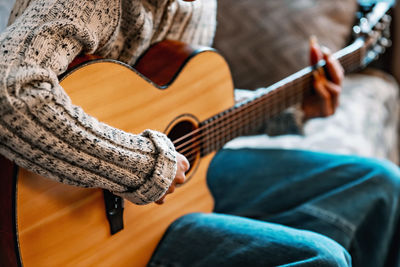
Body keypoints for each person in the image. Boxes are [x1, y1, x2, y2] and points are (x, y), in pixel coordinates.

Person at [0, 0, 399, 266]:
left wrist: (296, 108)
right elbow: (9, 93)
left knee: (381, 184)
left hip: (169, 189)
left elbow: (180, 102)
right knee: (320, 258)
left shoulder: (200, 5)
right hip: (75, 221)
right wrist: (144, 166)